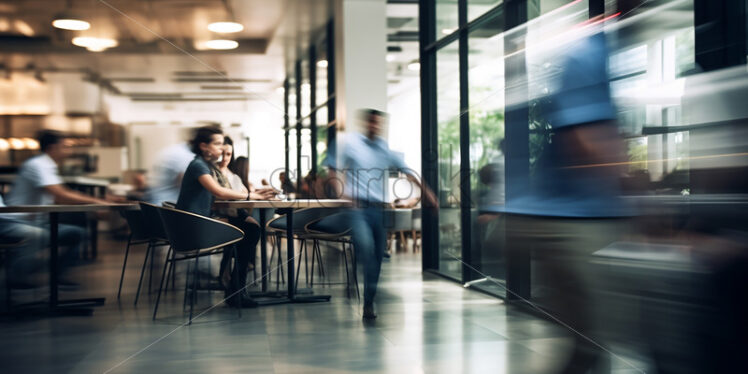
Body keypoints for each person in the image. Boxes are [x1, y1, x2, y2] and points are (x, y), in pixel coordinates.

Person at [326, 109, 437, 319]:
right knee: (365, 246)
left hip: (378, 209)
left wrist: (428, 194)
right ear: (365, 123)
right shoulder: (351, 143)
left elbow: (408, 172)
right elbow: (332, 167)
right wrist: (343, 194)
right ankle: (354, 275)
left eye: (379, 124)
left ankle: (368, 302)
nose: (375, 127)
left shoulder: (385, 150)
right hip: (357, 208)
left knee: (377, 255)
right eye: (372, 123)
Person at [175, 126, 274, 307]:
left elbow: (224, 191)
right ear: (204, 146)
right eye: (218, 144)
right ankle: (235, 289)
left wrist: (253, 193)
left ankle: (234, 286)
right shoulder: (199, 165)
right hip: (193, 227)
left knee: (249, 228)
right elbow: (218, 191)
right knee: (250, 230)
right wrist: (252, 196)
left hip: (198, 222)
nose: (222, 149)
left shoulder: (205, 165)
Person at [4, 130, 108, 285]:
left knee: (76, 233)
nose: (69, 151)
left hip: (35, 221)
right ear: (52, 148)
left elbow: (61, 194)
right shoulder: (38, 164)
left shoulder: (47, 165)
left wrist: (100, 201)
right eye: (65, 146)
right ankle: (16, 278)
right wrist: (98, 203)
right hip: (16, 221)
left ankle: (55, 276)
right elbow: (60, 195)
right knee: (39, 235)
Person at [146, 130, 195, 206]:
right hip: (169, 207)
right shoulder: (185, 155)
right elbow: (187, 184)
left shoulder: (175, 150)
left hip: (158, 202)